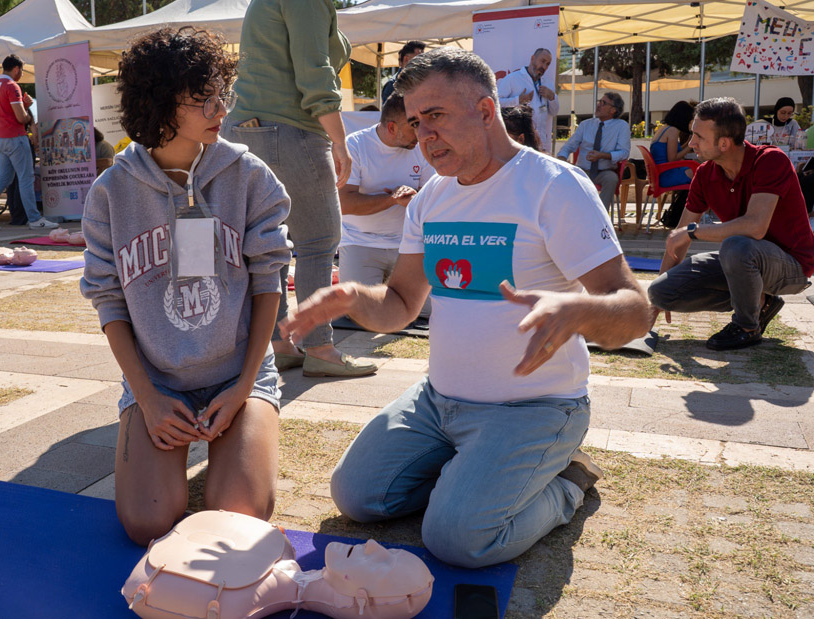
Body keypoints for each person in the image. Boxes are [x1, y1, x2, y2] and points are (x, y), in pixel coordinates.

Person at [280, 48, 653, 568]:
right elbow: (402, 302)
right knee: (358, 498)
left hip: (535, 407)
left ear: (485, 110)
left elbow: (636, 310)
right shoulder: (431, 197)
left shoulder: (554, 186)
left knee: (458, 540)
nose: (424, 136)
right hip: (438, 401)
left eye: (435, 115)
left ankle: (566, 482)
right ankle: (474, 473)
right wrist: (354, 297)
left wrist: (578, 310)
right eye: (416, 122)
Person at [80, 27, 292, 545]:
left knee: (239, 516)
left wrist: (243, 388)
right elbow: (108, 299)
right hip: (158, 382)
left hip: (237, 374)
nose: (221, 109)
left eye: (222, 94)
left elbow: (269, 284)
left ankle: (239, 447)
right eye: (203, 99)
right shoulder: (111, 191)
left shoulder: (249, 176)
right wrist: (148, 397)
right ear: (160, 103)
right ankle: (172, 453)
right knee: (147, 523)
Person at [223, 0, 376, 378]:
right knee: (319, 240)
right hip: (289, 129)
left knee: (270, 243)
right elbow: (315, 73)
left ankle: (280, 341)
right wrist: (340, 141)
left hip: (249, 128)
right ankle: (320, 347)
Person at [648, 97, 814, 351]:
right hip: (744, 260)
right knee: (661, 292)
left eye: (698, 136)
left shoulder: (770, 160)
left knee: (736, 245)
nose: (691, 143)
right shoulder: (705, 174)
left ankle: (747, 326)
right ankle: (762, 301)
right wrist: (655, 303)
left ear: (724, 143)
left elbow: (755, 227)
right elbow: (678, 237)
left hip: (792, 266)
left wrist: (693, 232)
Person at [338, 93, 435, 316]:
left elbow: (432, 200)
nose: (421, 133)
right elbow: (344, 203)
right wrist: (392, 200)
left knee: (424, 314)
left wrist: (414, 201)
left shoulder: (422, 146)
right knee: (361, 316)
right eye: (414, 126)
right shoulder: (355, 145)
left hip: (408, 244)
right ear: (392, 128)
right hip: (360, 241)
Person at [0, 54, 58, 231]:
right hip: (15, 138)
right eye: (21, 71)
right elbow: (21, 117)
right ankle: (34, 218)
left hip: (0, 138)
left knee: (3, 178)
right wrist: (27, 109)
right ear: (16, 69)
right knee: (26, 179)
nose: (22, 74)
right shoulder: (12, 86)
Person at [557, 92, 631, 211]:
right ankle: (569, 215)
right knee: (563, 177)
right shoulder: (585, 125)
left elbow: (624, 153)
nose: (599, 105)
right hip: (582, 171)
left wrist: (603, 155)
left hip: (604, 171)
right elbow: (568, 146)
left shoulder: (621, 126)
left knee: (612, 179)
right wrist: (562, 159)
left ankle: (600, 215)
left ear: (613, 110)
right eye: (599, 101)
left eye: (603, 103)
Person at [497, 48, 559, 154]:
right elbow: (497, 103)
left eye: (547, 64)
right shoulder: (512, 79)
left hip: (541, 143)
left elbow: (554, 112)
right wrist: (517, 100)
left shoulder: (548, 83)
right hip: (519, 143)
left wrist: (552, 97)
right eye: (542, 61)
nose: (544, 67)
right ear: (532, 58)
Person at [650, 99, 696, 187]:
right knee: (701, 172)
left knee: (698, 170)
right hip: (666, 176)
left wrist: (688, 143)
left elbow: (673, 151)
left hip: (660, 174)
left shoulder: (665, 128)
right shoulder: (672, 131)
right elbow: (672, 158)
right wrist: (690, 146)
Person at [381, 41, 426, 106]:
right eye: (419, 59)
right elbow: (389, 111)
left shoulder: (422, 81)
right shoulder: (392, 84)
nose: (422, 63)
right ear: (406, 59)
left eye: (423, 59)